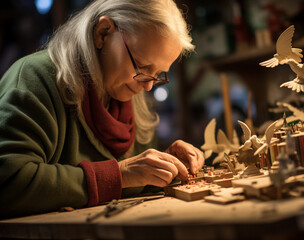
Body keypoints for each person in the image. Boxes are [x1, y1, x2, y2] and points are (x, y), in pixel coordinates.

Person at [0, 0, 204, 219]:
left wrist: (163, 166)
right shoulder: (36, 79)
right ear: (103, 33)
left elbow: (129, 184)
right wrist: (119, 175)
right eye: (143, 66)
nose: (148, 86)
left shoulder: (130, 98)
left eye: (158, 75)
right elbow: (8, 183)